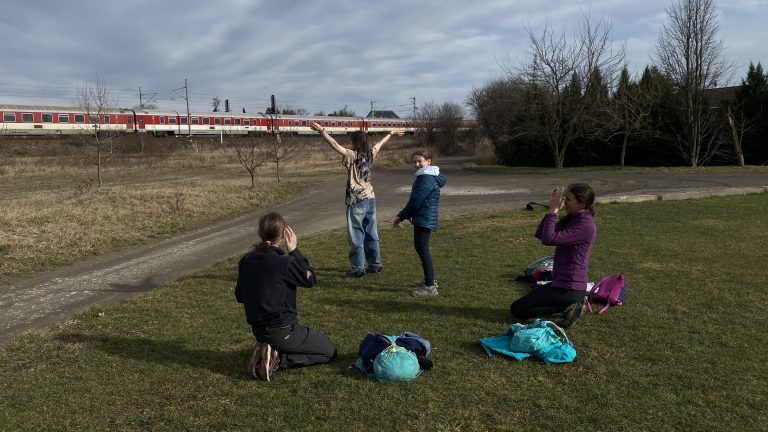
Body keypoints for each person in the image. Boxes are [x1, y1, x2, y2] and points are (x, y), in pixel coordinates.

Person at [235, 212, 337, 381]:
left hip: (259, 331)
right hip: (283, 330)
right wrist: (295, 251)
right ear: (282, 235)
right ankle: (278, 360)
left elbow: (240, 296)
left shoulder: (246, 261)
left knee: (293, 339)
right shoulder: (284, 263)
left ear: (260, 233)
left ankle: (269, 349)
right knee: (329, 352)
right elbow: (310, 279)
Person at [310, 121, 404, 277]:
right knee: (371, 232)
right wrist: (391, 133)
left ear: (355, 142)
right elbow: (380, 143)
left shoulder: (352, 155)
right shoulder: (371, 154)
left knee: (356, 234)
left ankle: (358, 269)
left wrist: (322, 131)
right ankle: (375, 265)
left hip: (356, 200)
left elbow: (334, 144)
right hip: (370, 198)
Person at [510, 183, 597, 327]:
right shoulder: (574, 217)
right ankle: (567, 305)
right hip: (560, 283)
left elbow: (548, 239)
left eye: (568, 199)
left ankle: (569, 306)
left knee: (517, 309)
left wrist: (554, 210)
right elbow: (541, 234)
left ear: (582, 204)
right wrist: (552, 210)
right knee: (525, 303)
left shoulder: (586, 226)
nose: (564, 202)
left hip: (570, 288)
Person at [393, 150, 447, 297]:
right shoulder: (428, 176)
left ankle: (430, 287)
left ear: (428, 161)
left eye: (420, 161)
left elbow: (415, 202)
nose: (417, 164)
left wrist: (401, 216)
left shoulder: (426, 178)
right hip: (424, 217)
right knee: (422, 249)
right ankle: (429, 280)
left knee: (422, 249)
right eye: (414, 162)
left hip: (424, 219)